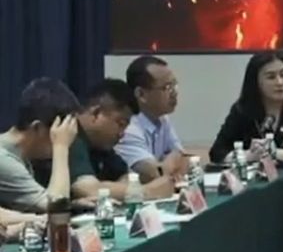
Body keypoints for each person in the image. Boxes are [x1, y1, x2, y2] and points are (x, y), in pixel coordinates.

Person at [36, 79, 175, 202]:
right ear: (96, 113)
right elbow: (88, 189)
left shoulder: (101, 144)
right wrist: (146, 192)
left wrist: (116, 189)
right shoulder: (70, 133)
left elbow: (126, 178)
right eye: (120, 123)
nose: (122, 133)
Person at [210, 51, 283, 164]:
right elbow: (217, 153)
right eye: (271, 77)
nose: (280, 82)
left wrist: (272, 152)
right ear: (255, 81)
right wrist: (248, 155)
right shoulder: (242, 111)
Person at [0, 78, 79, 213]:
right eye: (58, 134)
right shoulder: (3, 159)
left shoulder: (20, 155)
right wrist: (61, 147)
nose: (67, 142)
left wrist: (76, 204)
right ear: (37, 128)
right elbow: (56, 209)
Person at [118, 55, 189, 183]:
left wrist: (173, 158)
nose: (174, 93)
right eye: (167, 88)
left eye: (174, 85)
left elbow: (183, 158)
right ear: (141, 94)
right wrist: (172, 158)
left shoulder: (162, 118)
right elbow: (155, 173)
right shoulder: (127, 128)